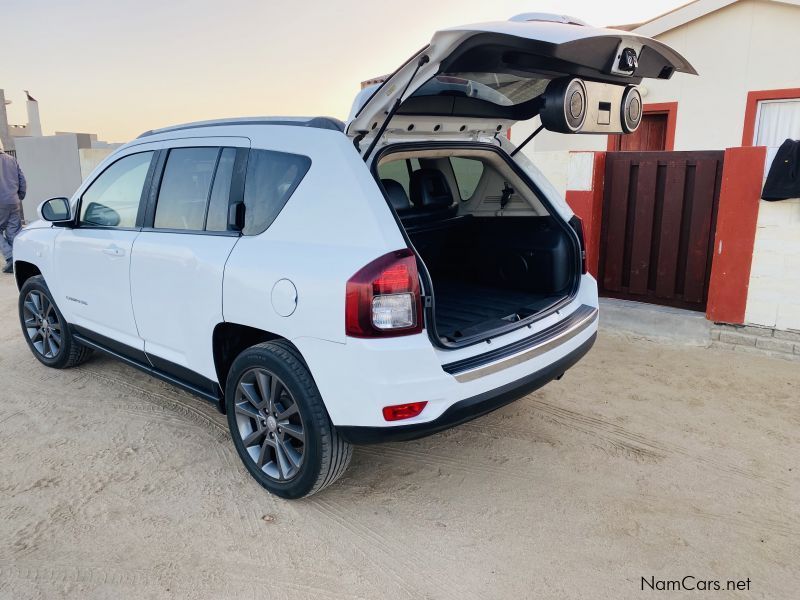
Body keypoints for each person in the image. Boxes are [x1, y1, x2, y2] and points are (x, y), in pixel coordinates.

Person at [0, 150, 26, 273]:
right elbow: (22, 179)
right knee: (13, 231)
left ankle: (10, 257)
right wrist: (20, 195)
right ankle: (19, 259)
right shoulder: (11, 159)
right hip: (13, 200)